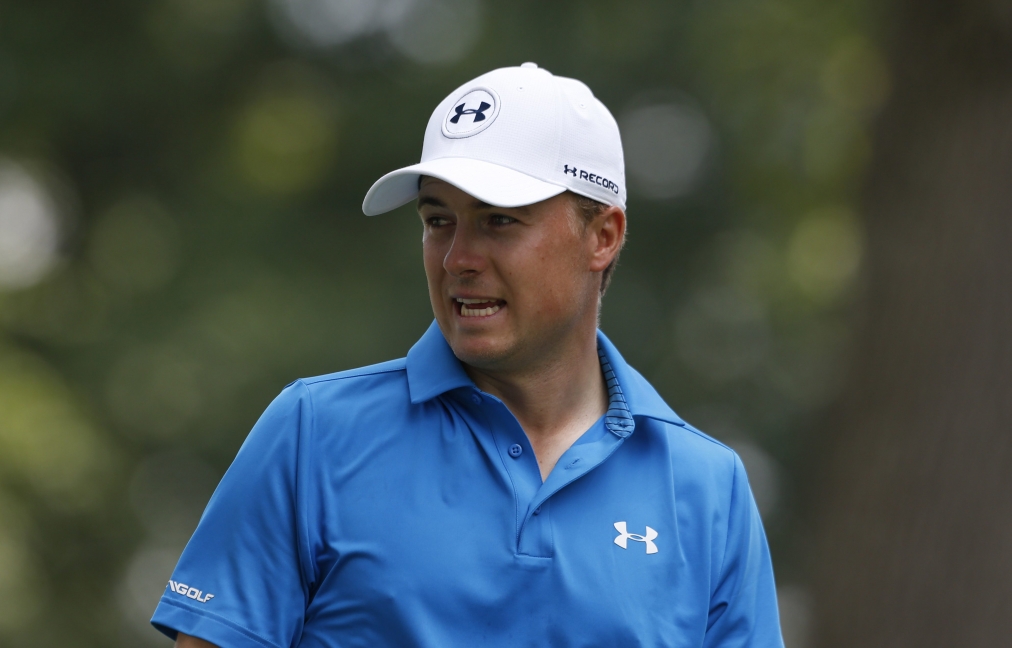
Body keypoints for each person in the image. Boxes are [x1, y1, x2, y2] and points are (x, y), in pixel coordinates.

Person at [152, 63, 784, 648]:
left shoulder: (707, 490)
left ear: (602, 236)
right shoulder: (313, 434)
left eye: (499, 221)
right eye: (438, 221)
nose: (458, 259)